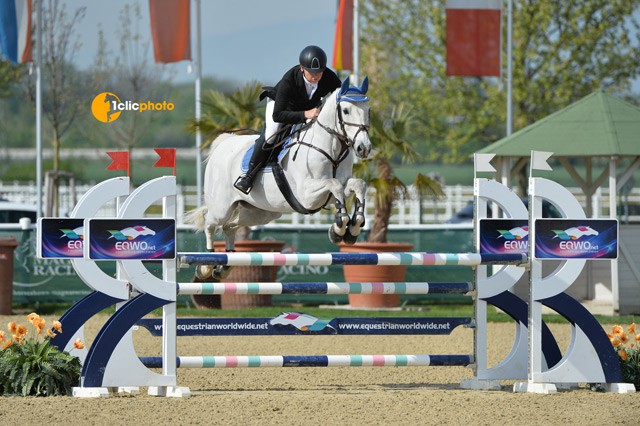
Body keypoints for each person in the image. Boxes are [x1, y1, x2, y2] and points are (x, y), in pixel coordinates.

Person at [234, 45, 342, 194]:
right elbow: (278, 115)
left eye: (319, 72)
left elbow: (341, 95)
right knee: (271, 135)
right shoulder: (289, 80)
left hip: (306, 108)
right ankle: (248, 176)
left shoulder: (329, 77)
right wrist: (305, 114)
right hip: (280, 107)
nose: (316, 76)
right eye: (311, 72)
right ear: (302, 68)